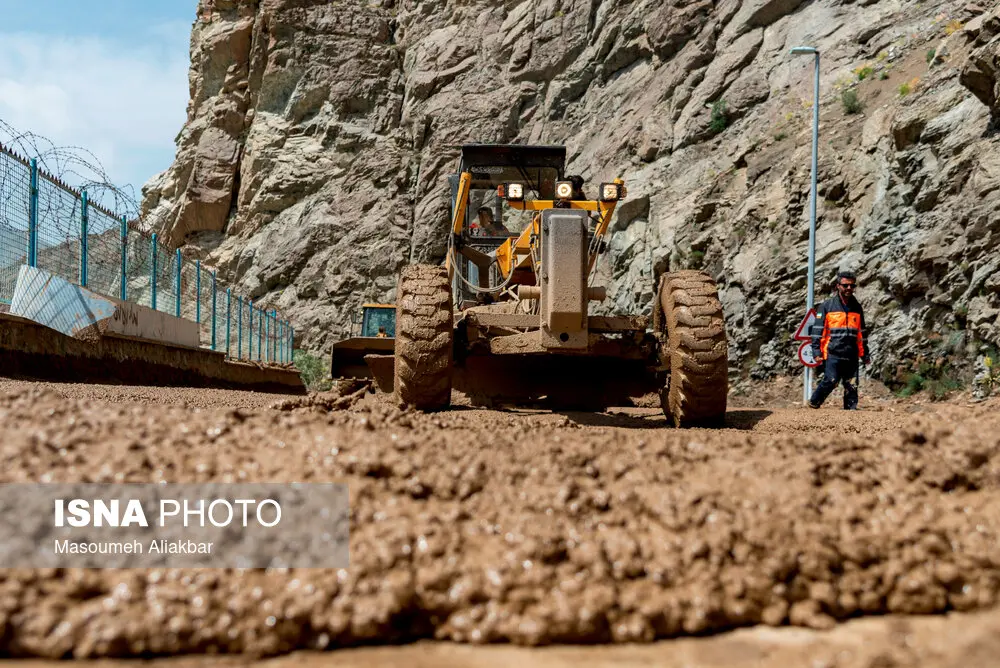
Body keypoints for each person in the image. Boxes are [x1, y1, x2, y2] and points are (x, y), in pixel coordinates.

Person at [809, 271, 869, 410]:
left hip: (851, 353)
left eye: (852, 286)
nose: (849, 288)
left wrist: (865, 353)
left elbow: (862, 333)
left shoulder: (857, 307)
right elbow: (817, 331)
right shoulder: (826, 306)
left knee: (852, 384)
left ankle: (850, 412)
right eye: (845, 285)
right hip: (832, 352)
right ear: (838, 286)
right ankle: (814, 402)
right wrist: (816, 351)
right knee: (831, 380)